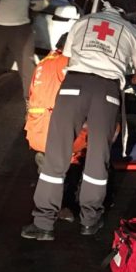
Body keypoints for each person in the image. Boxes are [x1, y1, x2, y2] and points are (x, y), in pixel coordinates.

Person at [21, 4, 136, 241]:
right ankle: (90, 220)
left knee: (56, 156)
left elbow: (67, 58)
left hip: (73, 86)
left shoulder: (83, 22)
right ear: (124, 13)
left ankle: (43, 223)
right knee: (98, 157)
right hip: (107, 90)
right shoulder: (131, 31)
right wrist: (125, 78)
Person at [25, 33, 87, 223]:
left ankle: (48, 195)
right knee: (77, 158)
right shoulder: (70, 64)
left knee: (48, 170)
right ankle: (64, 206)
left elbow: (31, 98)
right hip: (56, 133)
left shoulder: (43, 63)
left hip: (36, 131)